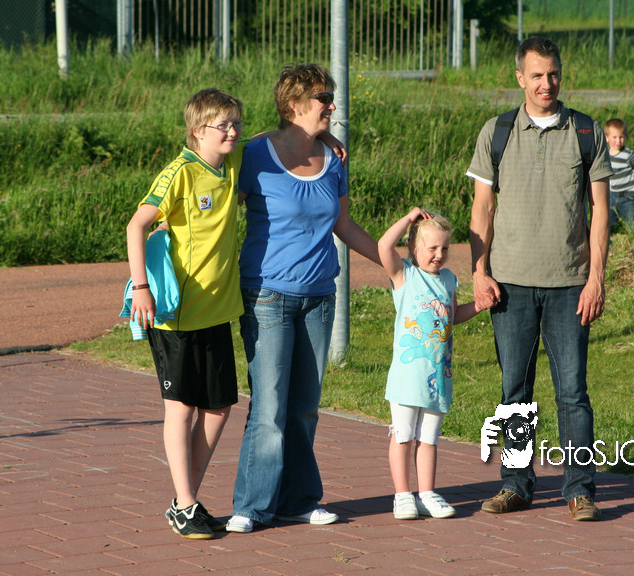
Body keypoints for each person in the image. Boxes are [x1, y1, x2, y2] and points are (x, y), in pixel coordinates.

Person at [227, 64, 380, 534]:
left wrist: (396, 266)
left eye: (331, 97)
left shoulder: (334, 159)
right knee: (269, 407)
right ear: (294, 106)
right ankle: (252, 507)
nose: (331, 105)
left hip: (319, 299)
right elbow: (220, 206)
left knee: (304, 408)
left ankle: (298, 500)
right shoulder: (256, 154)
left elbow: (344, 225)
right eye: (322, 98)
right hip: (267, 296)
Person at [465, 36, 613, 522]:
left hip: (571, 285)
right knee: (515, 392)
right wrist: (479, 272)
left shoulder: (586, 132)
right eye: (536, 75)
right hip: (509, 285)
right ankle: (516, 484)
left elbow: (600, 213)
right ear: (520, 79)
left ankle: (580, 490)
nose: (546, 83)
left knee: (572, 392)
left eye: (553, 74)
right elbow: (482, 208)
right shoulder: (497, 132)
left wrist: (596, 279)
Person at [126, 88, 247, 539]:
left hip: (217, 312)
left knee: (218, 408)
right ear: (197, 131)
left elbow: (277, 138)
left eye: (236, 123)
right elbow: (136, 225)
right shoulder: (179, 172)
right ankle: (185, 503)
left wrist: (326, 139)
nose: (232, 131)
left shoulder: (233, 160)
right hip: (175, 315)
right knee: (181, 409)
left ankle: (184, 501)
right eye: (223, 125)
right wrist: (142, 288)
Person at [378, 207, 483, 520]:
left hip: (439, 376)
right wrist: (408, 218)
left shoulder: (449, 280)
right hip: (408, 377)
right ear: (413, 248)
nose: (439, 255)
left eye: (445, 248)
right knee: (403, 436)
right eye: (432, 248)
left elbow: (453, 316)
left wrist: (478, 306)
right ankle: (402, 496)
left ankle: (426, 493)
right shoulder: (405, 275)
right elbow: (383, 245)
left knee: (428, 439)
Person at [604, 118, 634, 231]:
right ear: (607, 138)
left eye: (621, 137)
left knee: (632, 225)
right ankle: (610, 238)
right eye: (614, 137)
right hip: (612, 194)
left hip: (629, 195)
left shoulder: (629, 155)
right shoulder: (605, 155)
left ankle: (633, 237)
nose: (618, 141)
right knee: (607, 222)